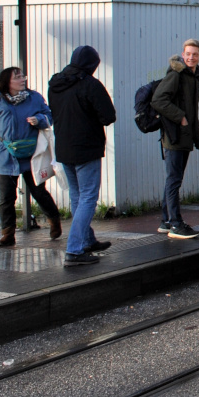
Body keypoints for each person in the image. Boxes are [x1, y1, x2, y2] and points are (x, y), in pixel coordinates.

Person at [0, 67, 62, 248]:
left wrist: (39, 120)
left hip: (31, 155)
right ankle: (8, 234)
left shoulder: (34, 98)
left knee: (39, 192)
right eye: (18, 77)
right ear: (7, 82)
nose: (23, 80)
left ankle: (54, 220)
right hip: (6, 156)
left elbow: (49, 116)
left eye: (23, 76)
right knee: (6, 197)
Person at [49, 45, 117, 267]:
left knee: (77, 196)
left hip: (64, 148)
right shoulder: (90, 85)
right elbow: (108, 116)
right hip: (86, 148)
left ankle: (87, 240)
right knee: (88, 197)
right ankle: (75, 249)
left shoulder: (55, 84)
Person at [152, 38, 199, 239]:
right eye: (188, 54)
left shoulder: (194, 76)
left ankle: (166, 220)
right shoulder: (177, 74)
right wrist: (180, 117)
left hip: (184, 135)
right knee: (173, 180)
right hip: (174, 135)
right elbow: (158, 100)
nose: (191, 57)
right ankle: (175, 223)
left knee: (174, 179)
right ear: (183, 55)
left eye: (195, 54)